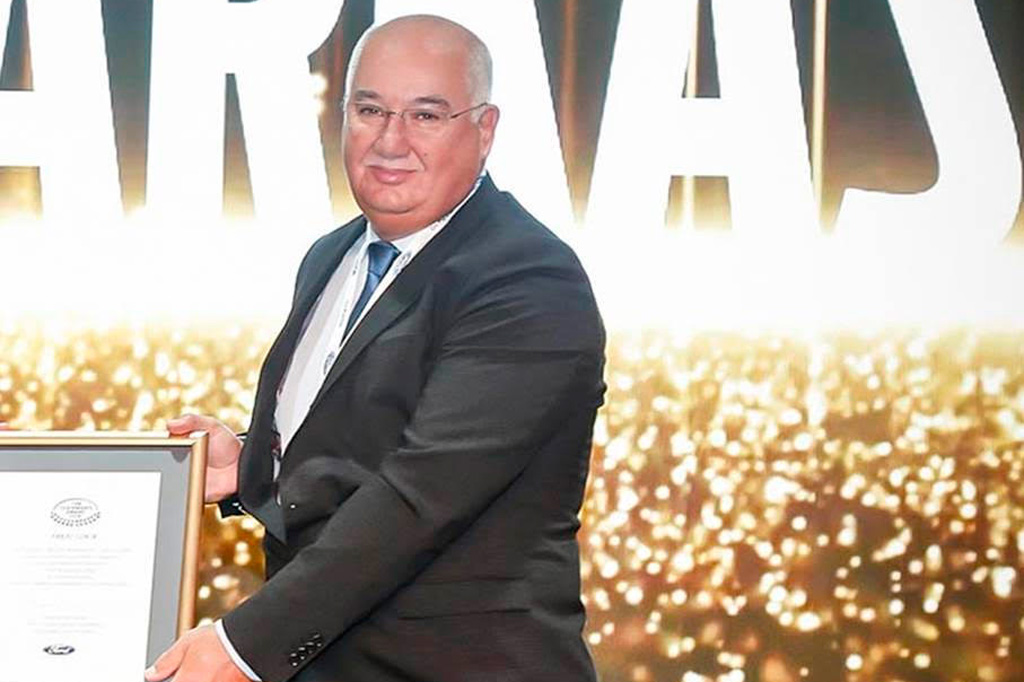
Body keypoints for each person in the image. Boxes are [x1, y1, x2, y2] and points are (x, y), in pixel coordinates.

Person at [146, 14, 604, 682]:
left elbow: (424, 495)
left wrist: (244, 647)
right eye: (370, 110)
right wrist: (254, 465)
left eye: (426, 115)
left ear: (484, 130)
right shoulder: (332, 256)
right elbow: (362, 445)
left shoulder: (528, 279)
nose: (391, 141)